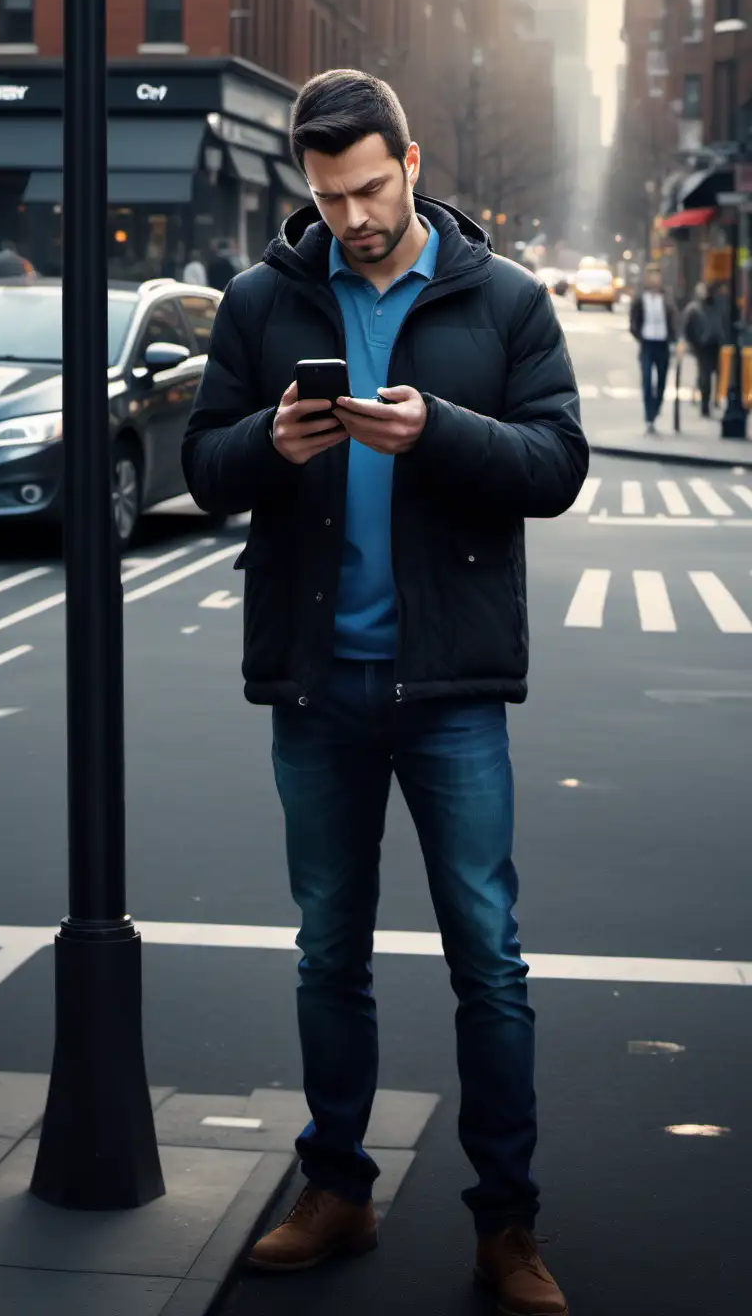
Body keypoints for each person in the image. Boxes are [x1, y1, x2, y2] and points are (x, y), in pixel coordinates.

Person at [182, 70, 588, 1315]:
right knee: (326, 954)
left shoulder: (503, 299)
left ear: (412, 161)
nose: (353, 215)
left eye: (369, 186)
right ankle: (337, 1189)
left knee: (491, 960)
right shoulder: (260, 302)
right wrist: (270, 446)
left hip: (450, 686)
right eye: (328, 192)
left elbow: (558, 464)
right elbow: (203, 465)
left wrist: (442, 433)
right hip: (318, 687)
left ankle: (507, 1228)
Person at [629, 262, 678, 434]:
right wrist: (639, 336)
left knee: (662, 381)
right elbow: (633, 321)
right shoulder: (641, 298)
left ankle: (656, 409)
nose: (655, 279)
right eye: (651, 276)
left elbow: (673, 318)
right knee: (647, 380)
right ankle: (649, 416)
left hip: (663, 343)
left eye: (657, 276)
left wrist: (675, 339)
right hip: (647, 344)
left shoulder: (666, 297)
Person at [682, 281, 723, 417]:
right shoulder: (694, 309)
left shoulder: (715, 307)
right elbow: (687, 329)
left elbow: (720, 323)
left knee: (716, 374)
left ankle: (714, 399)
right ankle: (705, 404)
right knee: (705, 376)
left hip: (715, 345)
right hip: (702, 347)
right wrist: (693, 344)